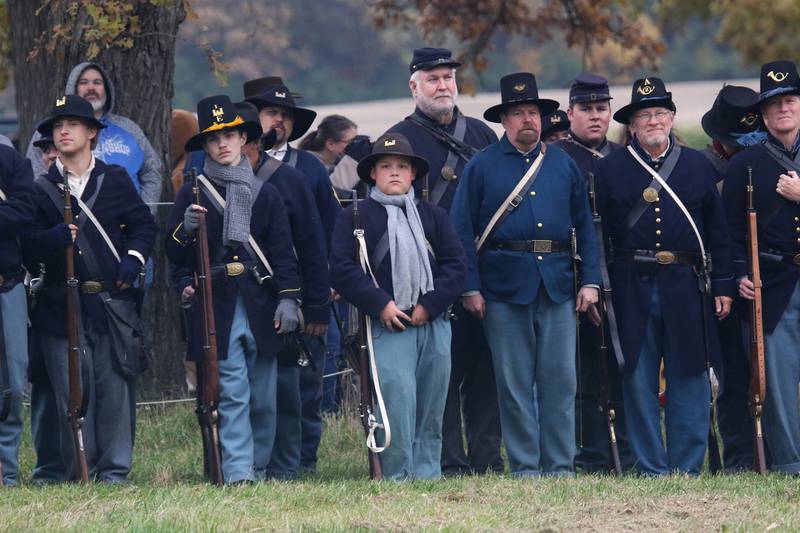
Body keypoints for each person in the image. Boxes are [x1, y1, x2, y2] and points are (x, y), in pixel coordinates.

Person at [450, 72, 601, 477]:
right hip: (502, 287)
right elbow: (461, 230)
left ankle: (560, 467)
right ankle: (525, 468)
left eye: (532, 112)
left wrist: (590, 280)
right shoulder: (480, 166)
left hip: (556, 284)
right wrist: (470, 288)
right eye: (518, 113)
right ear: (504, 121)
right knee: (514, 387)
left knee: (560, 384)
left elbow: (585, 225)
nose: (527, 120)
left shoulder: (562, 163)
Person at [594, 77, 734, 476]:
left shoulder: (697, 166)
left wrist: (723, 284)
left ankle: (687, 466)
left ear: (672, 118)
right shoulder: (609, 170)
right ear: (632, 125)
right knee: (637, 377)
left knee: (689, 375)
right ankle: (650, 466)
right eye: (644, 115)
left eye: (659, 113)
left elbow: (717, 232)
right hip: (629, 285)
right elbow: (598, 234)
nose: (653, 121)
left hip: (686, 285)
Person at [166, 95, 303, 484]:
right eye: (214, 138)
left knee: (263, 396)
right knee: (231, 393)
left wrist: (289, 299)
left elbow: (282, 253)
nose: (223, 143)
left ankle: (259, 465)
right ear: (205, 146)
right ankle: (240, 470)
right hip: (218, 303)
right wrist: (185, 229)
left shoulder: (267, 193)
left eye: (230, 135)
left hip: (261, 301)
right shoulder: (191, 193)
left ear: (244, 138)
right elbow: (173, 253)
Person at [23, 94, 156, 482]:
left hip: (110, 303)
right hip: (59, 305)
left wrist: (133, 259)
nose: (63, 131)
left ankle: (113, 473)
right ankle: (78, 471)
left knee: (113, 390)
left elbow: (145, 227)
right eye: (57, 127)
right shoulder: (40, 188)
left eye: (73, 125)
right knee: (72, 395)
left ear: (92, 133)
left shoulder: (114, 179)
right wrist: (52, 238)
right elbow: (26, 243)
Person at [387, 46, 503, 476]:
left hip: (482, 269)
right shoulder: (399, 140)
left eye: (448, 78)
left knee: (484, 369)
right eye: (433, 79)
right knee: (440, 377)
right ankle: (448, 461)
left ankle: (487, 459)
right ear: (414, 86)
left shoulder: (481, 135)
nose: (442, 86)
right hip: (427, 277)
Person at [330, 133, 466, 480]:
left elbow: (454, 265)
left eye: (401, 167)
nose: (394, 173)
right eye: (386, 166)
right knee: (397, 401)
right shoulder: (355, 217)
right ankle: (395, 475)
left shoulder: (433, 216)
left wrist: (430, 305)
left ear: (412, 175)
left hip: (432, 321)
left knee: (433, 403)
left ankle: (428, 473)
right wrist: (382, 305)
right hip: (388, 324)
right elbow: (343, 270)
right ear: (372, 173)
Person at [244, 77, 339, 474]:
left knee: (303, 381)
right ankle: (250, 462)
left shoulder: (309, 168)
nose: (278, 121)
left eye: (284, 115)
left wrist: (321, 293)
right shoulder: (221, 165)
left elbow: (325, 233)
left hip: (298, 289)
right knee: (252, 385)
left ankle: (303, 462)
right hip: (248, 289)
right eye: (270, 113)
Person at [723, 60, 800, 474]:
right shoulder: (743, 165)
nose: (783, 110)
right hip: (774, 281)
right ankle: (790, 463)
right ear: (764, 114)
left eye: (789, 100)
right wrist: (739, 275)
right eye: (774, 104)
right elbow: (730, 235)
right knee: (779, 382)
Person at [553, 73, 632, 473]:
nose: (595, 116)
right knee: (585, 375)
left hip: (625, 278)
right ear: (570, 113)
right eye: (586, 109)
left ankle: (631, 451)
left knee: (626, 369)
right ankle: (592, 453)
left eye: (602, 108)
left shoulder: (624, 157)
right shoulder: (557, 158)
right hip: (576, 279)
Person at [700, 84, 762, 472]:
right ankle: (739, 457)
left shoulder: (763, 164)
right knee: (732, 378)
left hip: (760, 281)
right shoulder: (702, 170)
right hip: (717, 286)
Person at [26, 63, 163, 212]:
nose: (91, 87)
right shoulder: (51, 131)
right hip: (72, 218)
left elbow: (152, 169)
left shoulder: (130, 129)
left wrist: (147, 210)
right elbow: (35, 173)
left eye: (97, 82)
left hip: (128, 221)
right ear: (73, 87)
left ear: (107, 89)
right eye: (83, 82)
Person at [0, 142, 37, 486]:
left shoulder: (9, 159)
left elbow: (25, 211)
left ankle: (6, 472)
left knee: (13, 381)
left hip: (7, 284)